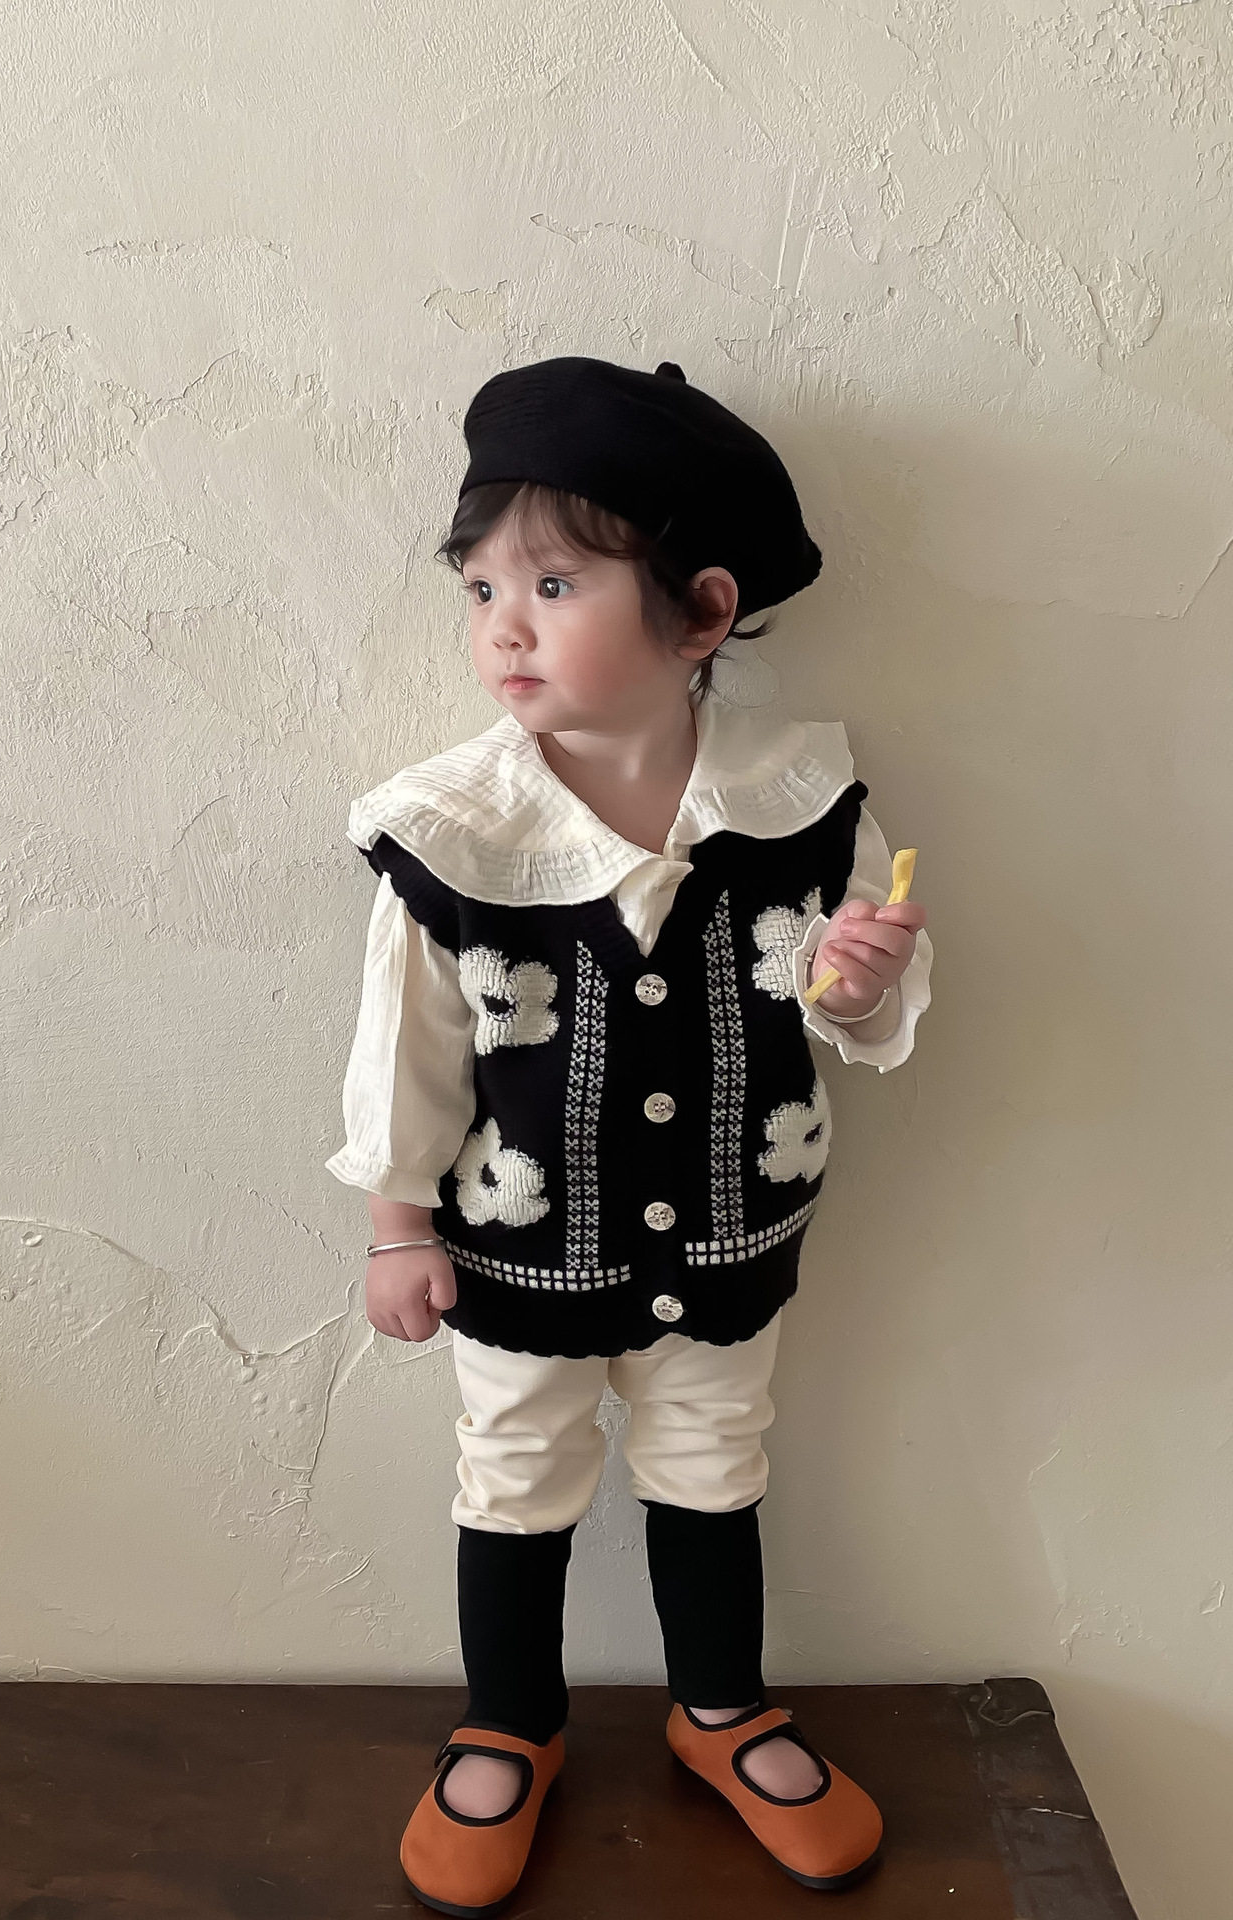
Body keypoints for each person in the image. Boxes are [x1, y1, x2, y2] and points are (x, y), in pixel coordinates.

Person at [324, 356, 934, 1916]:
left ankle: (721, 1707)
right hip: (519, 1250)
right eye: (480, 589)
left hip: (733, 1234)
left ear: (702, 614)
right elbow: (410, 1045)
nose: (503, 628)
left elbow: (845, 1002)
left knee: (714, 1459)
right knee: (515, 1467)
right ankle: (508, 1722)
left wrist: (859, 980)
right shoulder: (453, 834)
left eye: (553, 584)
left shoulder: (802, 803)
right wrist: (397, 1225)